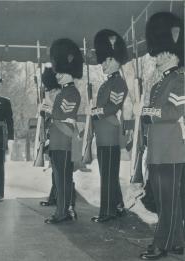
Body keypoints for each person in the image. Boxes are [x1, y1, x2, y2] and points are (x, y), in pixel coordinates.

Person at [138, 12, 184, 260]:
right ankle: (176, 241)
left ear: (174, 55)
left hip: (171, 150)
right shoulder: (158, 84)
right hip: (158, 150)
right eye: (158, 54)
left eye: (163, 54)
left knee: (168, 202)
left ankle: (162, 244)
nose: (158, 58)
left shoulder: (181, 79)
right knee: (167, 201)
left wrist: (146, 111)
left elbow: (174, 110)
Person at [90, 29, 128, 223]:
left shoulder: (119, 83)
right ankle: (118, 205)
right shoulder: (107, 84)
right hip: (103, 133)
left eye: (106, 61)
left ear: (116, 61)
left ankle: (107, 211)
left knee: (108, 174)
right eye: (103, 61)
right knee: (108, 173)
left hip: (111, 133)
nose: (103, 64)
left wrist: (95, 111)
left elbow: (112, 107)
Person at [44, 38, 83, 224]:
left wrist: (50, 106)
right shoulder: (62, 92)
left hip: (66, 141)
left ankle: (63, 212)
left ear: (70, 72)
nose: (57, 75)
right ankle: (66, 208)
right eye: (57, 72)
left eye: (60, 72)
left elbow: (62, 114)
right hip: (58, 140)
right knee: (60, 178)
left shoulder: (72, 93)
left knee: (64, 179)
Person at [39, 67, 76, 208]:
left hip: (64, 133)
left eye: (52, 90)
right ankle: (55, 197)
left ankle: (67, 204)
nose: (51, 93)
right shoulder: (57, 93)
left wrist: (49, 108)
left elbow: (61, 113)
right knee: (56, 170)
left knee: (64, 173)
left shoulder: (63, 93)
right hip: (54, 134)